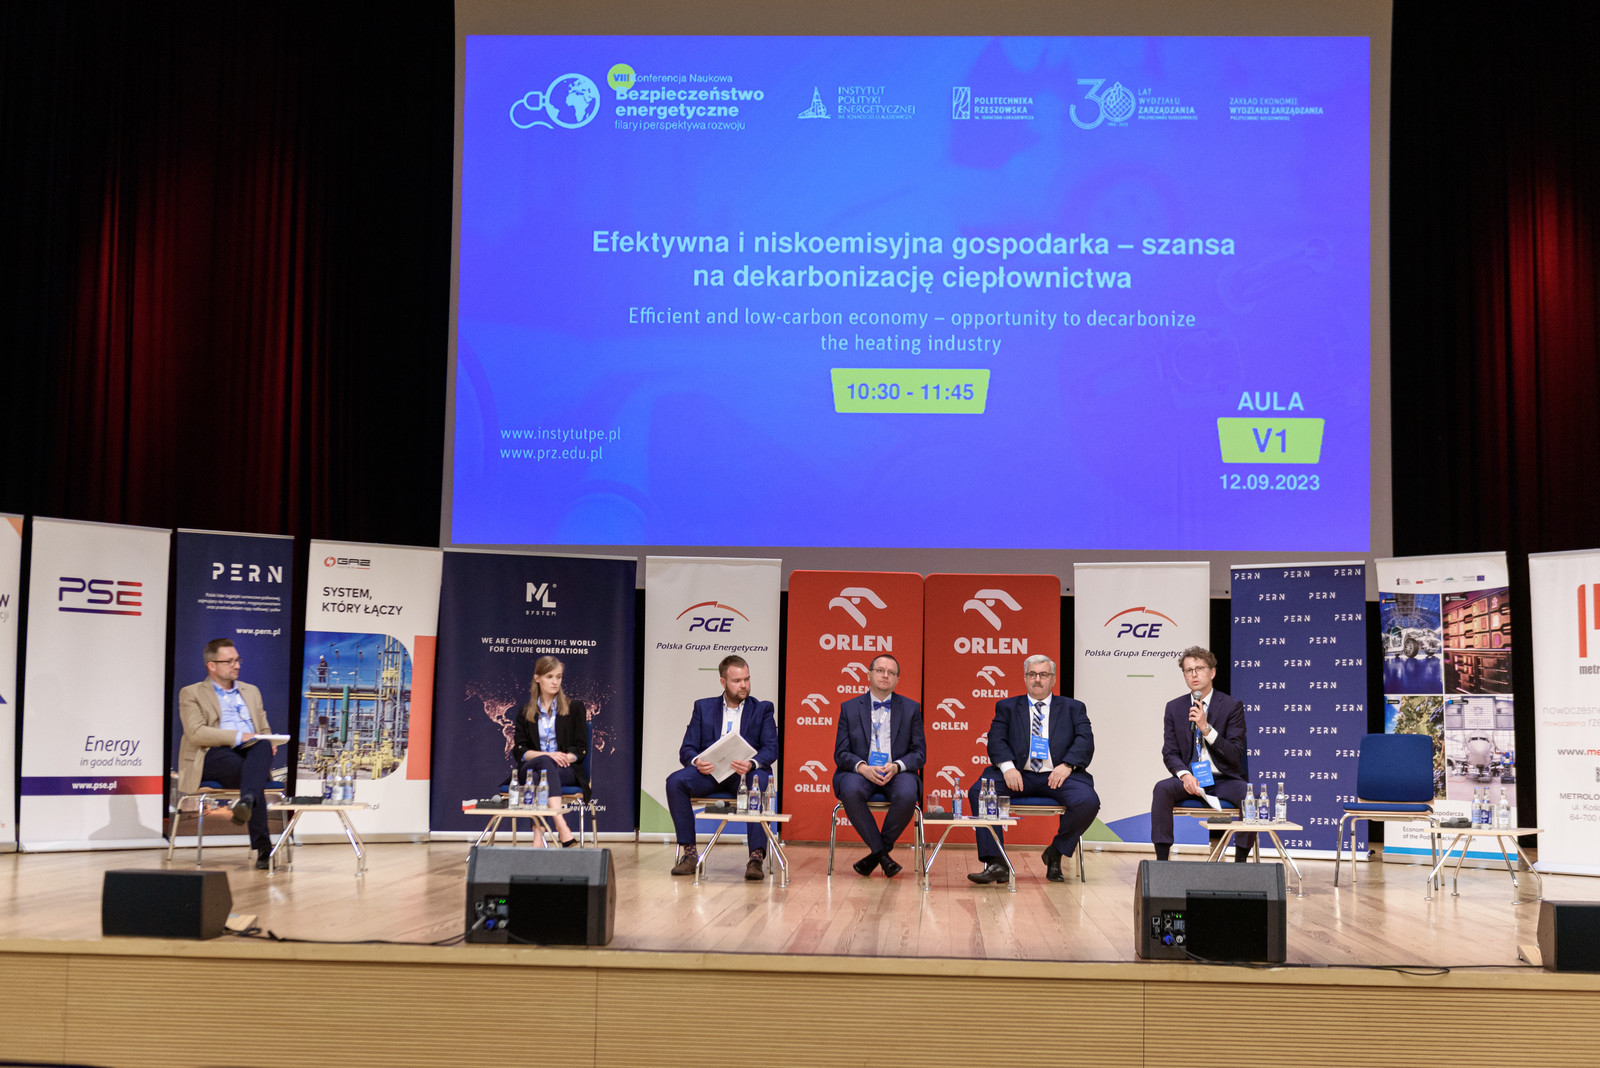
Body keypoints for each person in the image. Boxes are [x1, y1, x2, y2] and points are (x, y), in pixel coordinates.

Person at [967, 654, 1100, 885]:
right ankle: (997, 863)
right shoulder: (1007, 707)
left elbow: (1085, 740)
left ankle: (1056, 852)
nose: (1037, 679)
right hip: (1019, 775)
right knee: (980, 791)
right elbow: (996, 740)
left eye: (1043, 674)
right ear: (1025, 678)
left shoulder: (1073, 708)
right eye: (1032, 674)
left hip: (1057, 775)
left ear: (1053, 679)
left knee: (1088, 801)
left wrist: (1067, 765)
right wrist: (1008, 767)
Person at [666, 655, 779, 880]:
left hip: (744, 775)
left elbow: (771, 749)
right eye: (737, 681)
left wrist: (751, 763)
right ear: (723, 682)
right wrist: (697, 761)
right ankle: (689, 854)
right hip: (710, 774)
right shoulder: (703, 707)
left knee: (760, 781)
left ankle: (756, 858)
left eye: (746, 679)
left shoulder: (762, 709)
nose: (744, 685)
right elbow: (687, 749)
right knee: (675, 781)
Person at [176, 639, 277, 869]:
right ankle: (263, 847)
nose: (237, 665)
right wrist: (237, 736)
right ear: (212, 665)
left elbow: (264, 729)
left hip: (250, 752)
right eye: (229, 661)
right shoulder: (191, 693)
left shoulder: (251, 691)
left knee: (262, 746)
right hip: (212, 754)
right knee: (253, 776)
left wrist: (270, 741)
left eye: (238, 660)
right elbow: (196, 733)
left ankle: (247, 801)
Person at [1148, 646, 1255, 862]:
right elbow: (1170, 752)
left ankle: (1241, 862)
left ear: (1212, 672)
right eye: (1188, 670)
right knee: (1162, 789)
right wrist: (1184, 775)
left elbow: (1234, 754)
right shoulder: (1174, 708)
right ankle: (1161, 863)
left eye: (1199, 668)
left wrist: (1206, 728)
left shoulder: (1232, 706)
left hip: (1223, 779)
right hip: (1191, 780)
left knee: (1249, 797)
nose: (1194, 674)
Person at [833, 653, 926, 878]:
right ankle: (883, 855)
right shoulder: (849, 708)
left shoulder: (911, 708)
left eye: (891, 673)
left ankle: (876, 855)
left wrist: (897, 766)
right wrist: (863, 767)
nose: (885, 675)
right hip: (862, 771)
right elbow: (841, 753)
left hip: (897, 772)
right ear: (869, 675)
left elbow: (919, 754)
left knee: (907, 793)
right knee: (850, 790)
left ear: (897, 679)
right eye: (880, 671)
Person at [509, 656, 586, 846]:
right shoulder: (525, 711)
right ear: (537, 678)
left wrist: (564, 757)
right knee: (544, 762)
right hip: (531, 766)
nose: (555, 682)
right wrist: (549, 756)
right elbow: (520, 751)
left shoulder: (575, 708)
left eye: (558, 677)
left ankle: (538, 837)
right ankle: (561, 825)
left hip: (563, 769)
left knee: (538, 777)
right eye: (550, 677)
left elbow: (580, 747)